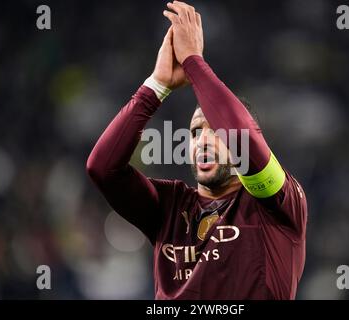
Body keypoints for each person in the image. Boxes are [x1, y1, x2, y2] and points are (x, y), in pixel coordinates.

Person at [86, 1, 307, 299]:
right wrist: (156, 87)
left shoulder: (276, 202)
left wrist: (193, 60)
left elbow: (243, 138)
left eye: (215, 131)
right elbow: (102, 169)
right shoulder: (168, 207)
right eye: (194, 133)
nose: (203, 140)